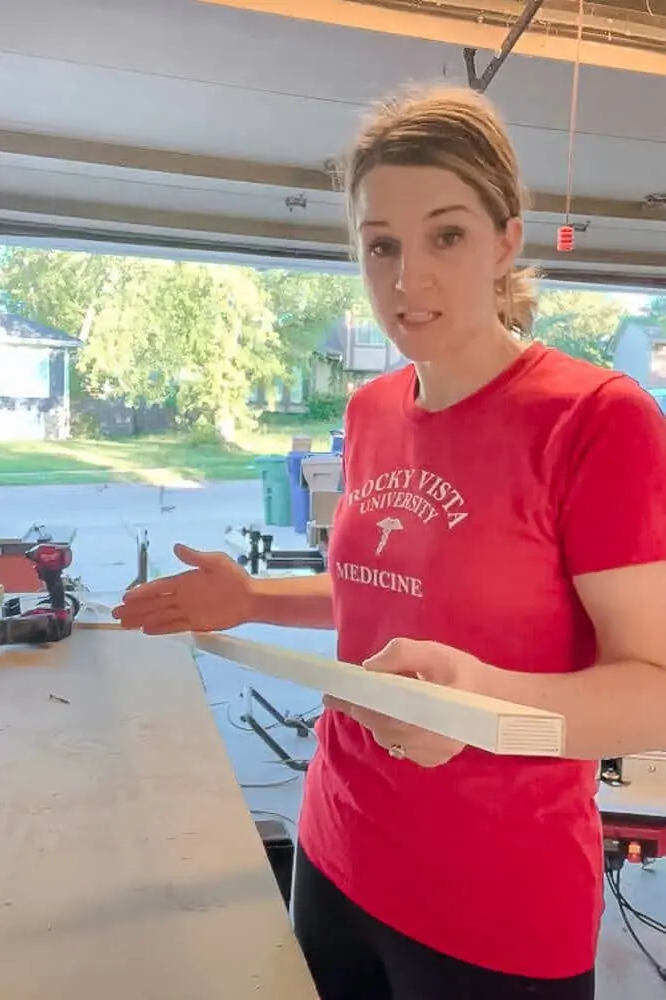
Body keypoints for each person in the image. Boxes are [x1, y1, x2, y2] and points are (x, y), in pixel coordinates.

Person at [113, 86, 666, 1000]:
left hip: (496, 904)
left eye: (445, 235)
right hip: (337, 848)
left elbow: (653, 693)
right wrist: (249, 597)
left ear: (505, 241)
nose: (408, 280)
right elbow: (381, 592)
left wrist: (475, 700)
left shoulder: (596, 420)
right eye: (381, 245)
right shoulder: (371, 409)